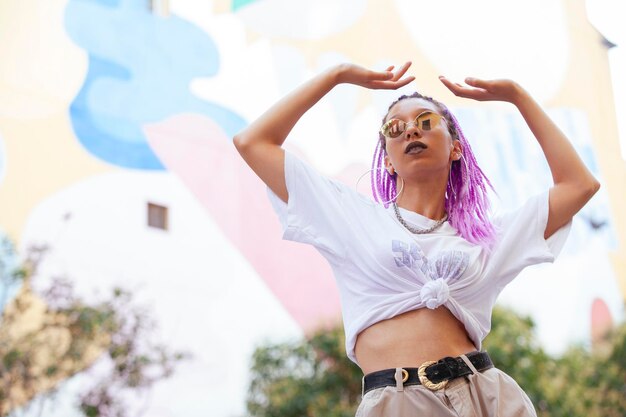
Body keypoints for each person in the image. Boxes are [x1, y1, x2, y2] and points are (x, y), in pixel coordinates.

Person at [233, 61, 600, 417]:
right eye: (394, 128)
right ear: (388, 161)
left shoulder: (486, 238)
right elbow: (254, 142)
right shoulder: (351, 217)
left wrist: (518, 97)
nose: (410, 130)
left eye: (425, 122)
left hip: (487, 397)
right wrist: (336, 76)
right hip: (396, 402)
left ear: (456, 148)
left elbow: (579, 185)